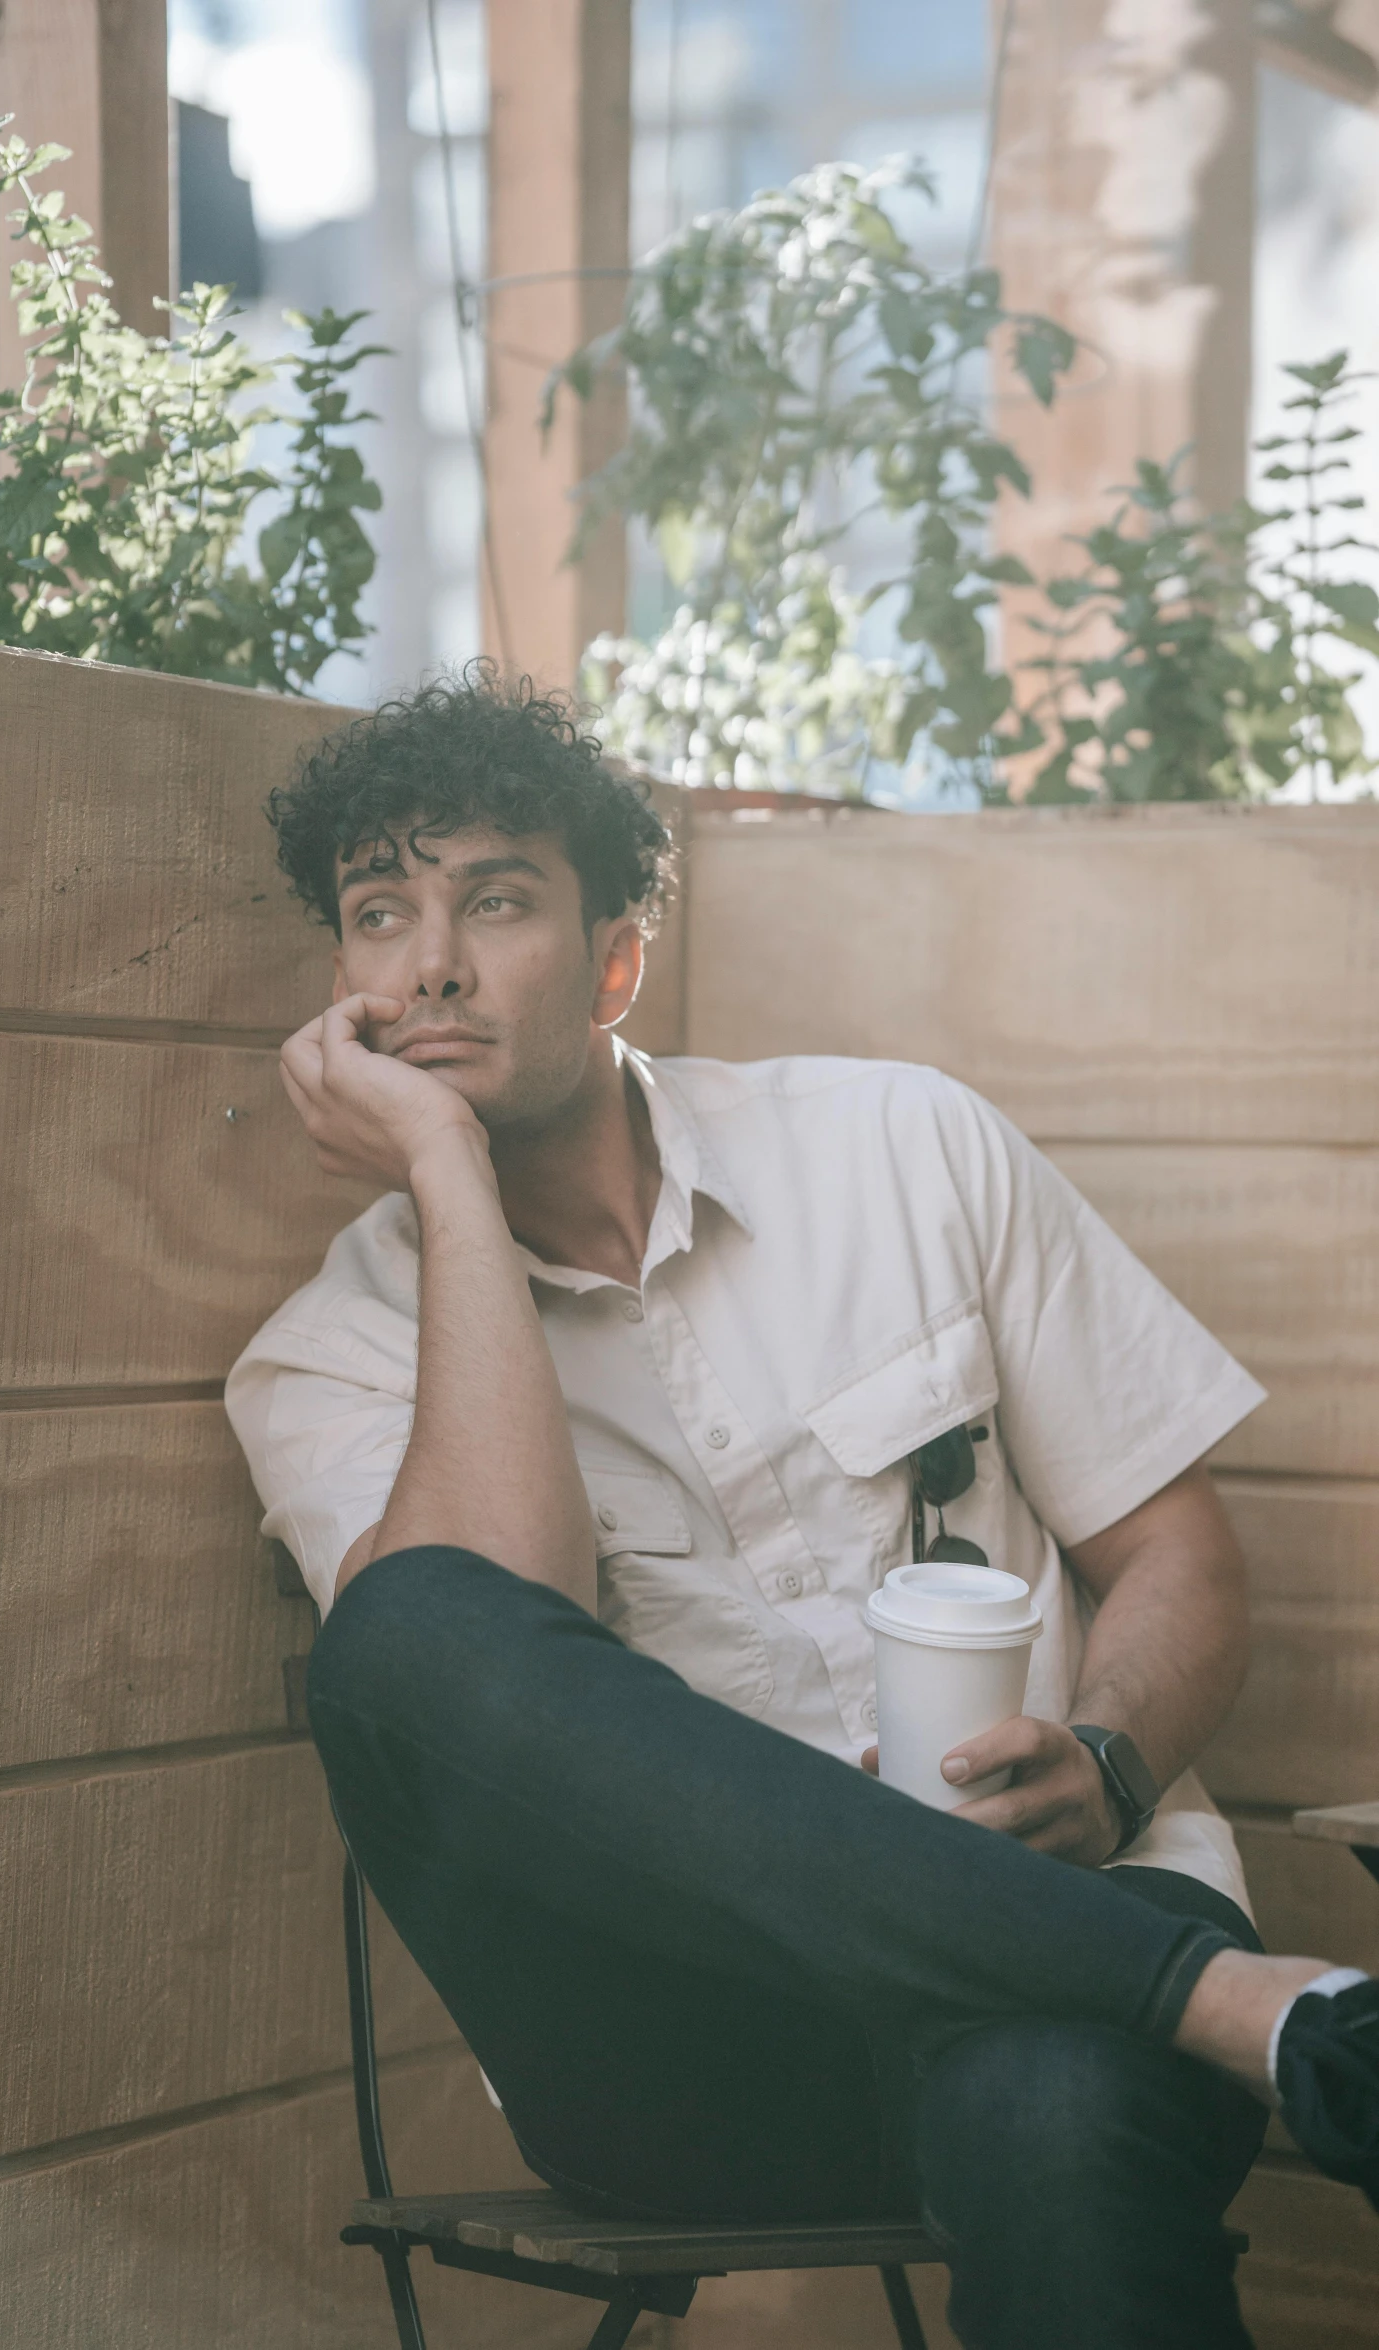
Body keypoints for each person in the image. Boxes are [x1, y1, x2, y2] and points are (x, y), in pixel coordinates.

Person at [228, 669, 1379, 2350]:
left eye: (496, 898)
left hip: (1079, 1930)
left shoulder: (907, 1148)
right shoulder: (322, 1361)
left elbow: (1174, 1550)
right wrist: (447, 1181)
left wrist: (1112, 1758)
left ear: (616, 956)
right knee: (405, 1619)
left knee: (1055, 2104)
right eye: (378, 914)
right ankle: (1262, 2014)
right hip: (698, 2048)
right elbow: (498, 1614)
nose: (431, 964)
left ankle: (1182, 1997)